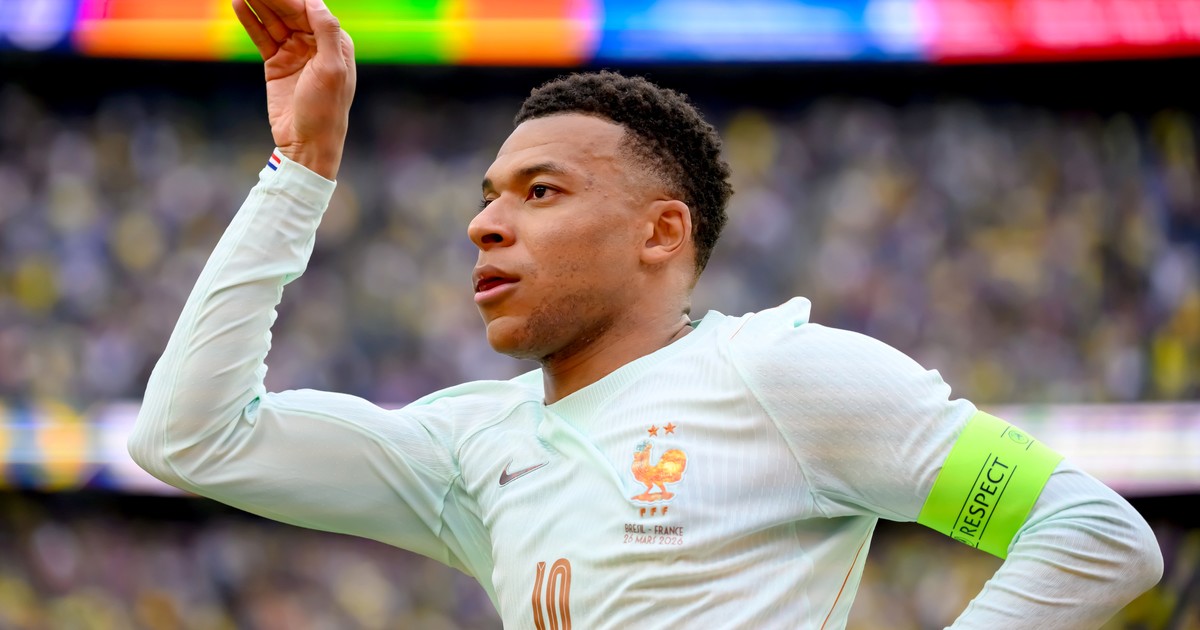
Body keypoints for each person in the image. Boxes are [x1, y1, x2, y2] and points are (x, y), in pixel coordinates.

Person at [129, 0, 1164, 627]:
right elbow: (189, 439)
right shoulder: (467, 448)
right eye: (488, 197)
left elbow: (1092, 531)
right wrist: (301, 169)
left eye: (539, 192)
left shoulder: (781, 373)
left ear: (661, 232)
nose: (484, 224)